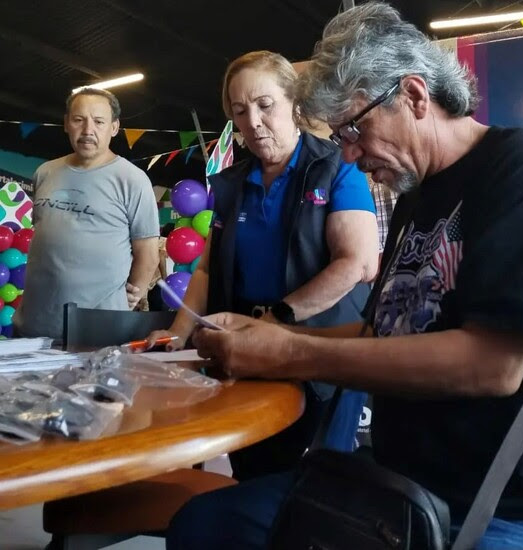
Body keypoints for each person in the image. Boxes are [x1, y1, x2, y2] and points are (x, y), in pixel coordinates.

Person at [166, 3, 523, 550]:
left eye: (354, 128)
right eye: (340, 136)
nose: (349, 154)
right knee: (203, 524)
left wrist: (288, 353)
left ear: (414, 96)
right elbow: (380, 331)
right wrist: (272, 334)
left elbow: (495, 365)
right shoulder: (415, 198)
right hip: (398, 488)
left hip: (515, 506)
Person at [147, 51, 379, 480]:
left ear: (294, 102)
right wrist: (176, 335)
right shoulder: (233, 183)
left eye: (264, 105)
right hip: (247, 354)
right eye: (240, 111)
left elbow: (358, 264)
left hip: (320, 353)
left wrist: (275, 320)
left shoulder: (337, 168)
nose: (252, 121)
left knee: (310, 489)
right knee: (252, 474)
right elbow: (206, 271)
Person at [14, 88, 159, 339]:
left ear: (114, 127)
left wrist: (128, 300)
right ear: (66, 124)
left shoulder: (132, 180)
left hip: (97, 332)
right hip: (33, 325)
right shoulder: (45, 172)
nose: (88, 130)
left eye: (99, 121)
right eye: (78, 119)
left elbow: (148, 254)